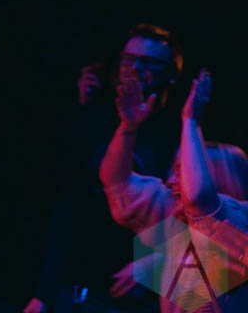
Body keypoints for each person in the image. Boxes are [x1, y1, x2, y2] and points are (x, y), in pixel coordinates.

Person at [24, 24, 184, 313]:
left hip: (144, 298)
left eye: (148, 62)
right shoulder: (96, 118)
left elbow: (223, 238)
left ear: (171, 75)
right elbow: (66, 203)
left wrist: (159, 263)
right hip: (78, 291)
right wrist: (43, 293)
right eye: (128, 59)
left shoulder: (184, 133)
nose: (134, 69)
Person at [100, 67, 248, 313]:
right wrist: (128, 128)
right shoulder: (175, 217)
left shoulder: (240, 224)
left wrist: (190, 121)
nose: (170, 181)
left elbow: (200, 201)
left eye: (181, 172)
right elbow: (116, 182)